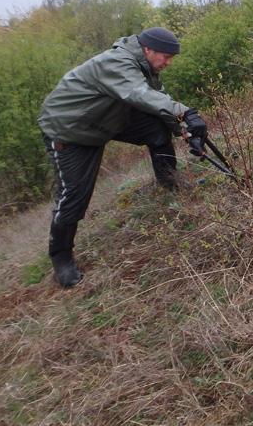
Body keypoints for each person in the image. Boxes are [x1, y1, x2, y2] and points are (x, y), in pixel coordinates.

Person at [38, 27, 207, 288]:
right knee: (74, 195)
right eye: (166, 56)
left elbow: (157, 100)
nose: (169, 62)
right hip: (71, 131)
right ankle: (61, 258)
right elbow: (138, 95)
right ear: (148, 50)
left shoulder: (146, 66)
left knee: (157, 129)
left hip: (108, 117)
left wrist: (183, 129)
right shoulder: (117, 62)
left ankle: (171, 185)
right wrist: (187, 112)